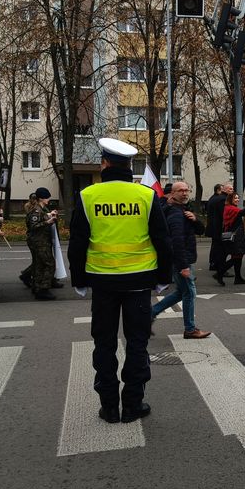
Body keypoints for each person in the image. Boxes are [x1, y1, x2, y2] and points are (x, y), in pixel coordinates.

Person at [68, 137, 172, 424]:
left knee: (104, 344)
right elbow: (162, 239)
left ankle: (109, 406)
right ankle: (133, 404)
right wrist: (164, 277)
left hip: (102, 282)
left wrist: (79, 279)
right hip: (139, 282)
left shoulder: (88, 195)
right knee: (137, 343)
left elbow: (77, 242)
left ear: (104, 163)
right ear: (129, 165)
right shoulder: (146, 196)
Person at [152, 181, 210, 339]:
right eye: (180, 191)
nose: (184, 193)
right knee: (190, 293)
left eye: (186, 190)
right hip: (181, 260)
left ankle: (151, 313)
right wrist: (183, 266)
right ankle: (190, 329)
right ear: (172, 194)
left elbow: (201, 230)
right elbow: (176, 241)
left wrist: (195, 219)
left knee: (181, 292)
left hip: (183, 259)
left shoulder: (183, 210)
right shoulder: (175, 213)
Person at [214, 192, 245, 285]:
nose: (237, 200)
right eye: (235, 198)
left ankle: (238, 277)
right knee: (236, 257)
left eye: (238, 198)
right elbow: (242, 212)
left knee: (238, 257)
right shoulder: (231, 208)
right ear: (230, 199)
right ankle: (219, 273)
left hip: (236, 236)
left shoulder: (229, 208)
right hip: (236, 237)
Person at [24, 187, 58, 300]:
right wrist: (48, 222)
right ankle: (44, 288)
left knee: (39, 265)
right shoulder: (36, 210)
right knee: (49, 264)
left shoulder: (41, 209)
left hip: (41, 241)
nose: (49, 199)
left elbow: (40, 218)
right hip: (39, 242)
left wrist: (49, 215)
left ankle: (37, 287)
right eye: (47, 197)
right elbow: (34, 226)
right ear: (42, 198)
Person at [206, 183, 232, 273]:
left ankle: (213, 264)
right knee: (221, 249)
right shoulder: (222, 199)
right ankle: (220, 267)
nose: (232, 191)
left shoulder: (214, 198)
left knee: (215, 247)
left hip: (213, 226)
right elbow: (223, 215)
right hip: (219, 227)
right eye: (230, 189)